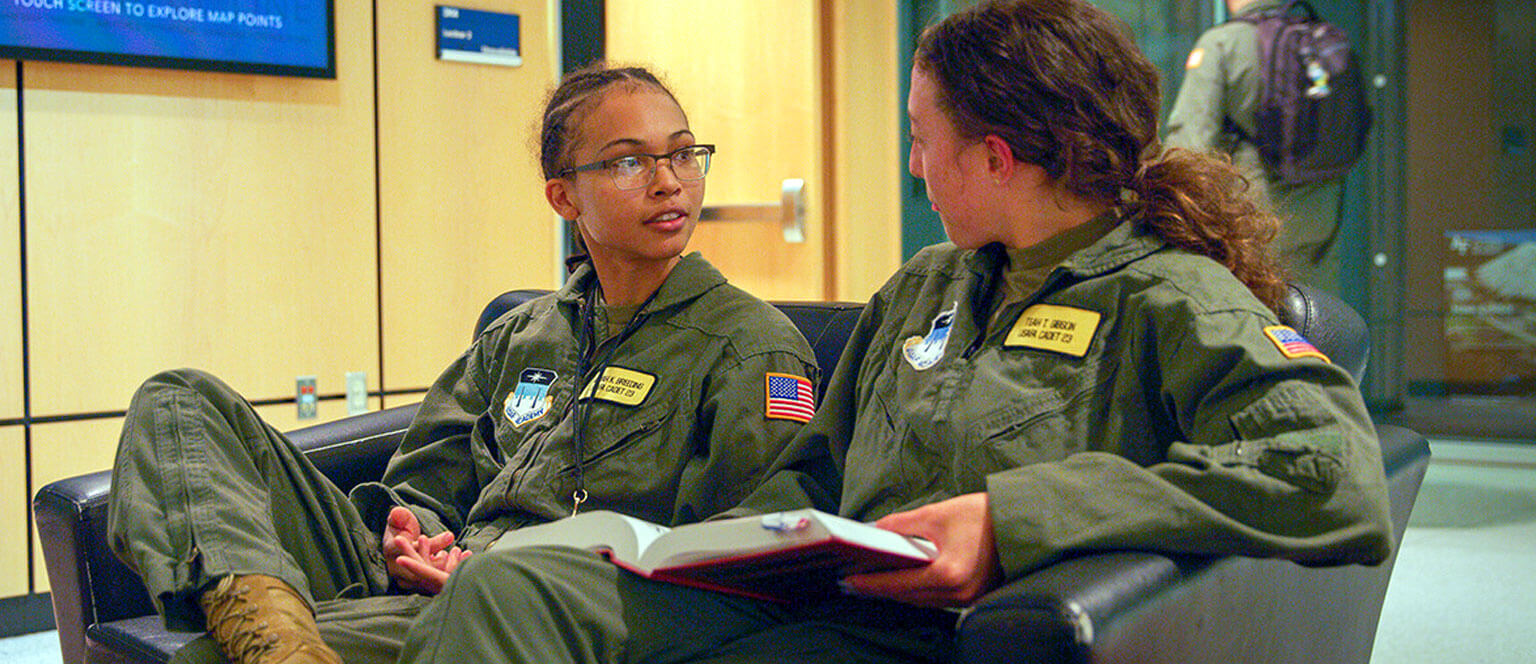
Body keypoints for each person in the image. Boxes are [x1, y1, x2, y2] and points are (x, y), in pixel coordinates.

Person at [396, 2, 1395, 663]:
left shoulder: (1173, 296)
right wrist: (717, 547)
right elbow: (816, 467)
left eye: (922, 140)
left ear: (994, 157)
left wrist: (1017, 516)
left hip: (942, 632)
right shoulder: (926, 287)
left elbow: (1333, 470)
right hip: (815, 595)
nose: (915, 167)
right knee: (517, 585)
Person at [106, 63, 819, 664]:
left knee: (203, 658)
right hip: (428, 580)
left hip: (544, 609)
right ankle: (268, 620)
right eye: (630, 161)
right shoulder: (521, 335)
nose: (668, 181)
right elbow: (421, 481)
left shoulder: (750, 347)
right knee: (178, 398)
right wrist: (407, 531)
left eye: (684, 153)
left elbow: (745, 555)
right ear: (563, 196)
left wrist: (512, 576)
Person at [1164, 0, 1348, 294]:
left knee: (1260, 319)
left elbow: (1188, 147)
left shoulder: (1222, 42)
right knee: (1317, 319)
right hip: (1325, 210)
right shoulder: (1320, 38)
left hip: (1258, 212)